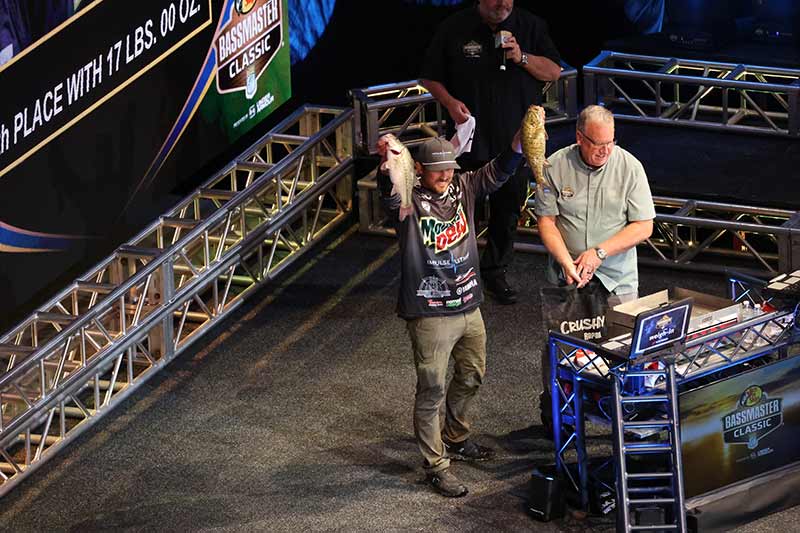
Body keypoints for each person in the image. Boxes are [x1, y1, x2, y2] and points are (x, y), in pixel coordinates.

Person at [377, 128, 524, 498]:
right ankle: (436, 465)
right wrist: (387, 167)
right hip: (429, 312)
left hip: (469, 303)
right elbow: (390, 195)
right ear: (421, 169)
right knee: (432, 390)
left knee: (473, 375)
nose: (445, 175)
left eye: (450, 168)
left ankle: (455, 437)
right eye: (438, 170)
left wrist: (519, 143)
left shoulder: (464, 186)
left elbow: (498, 171)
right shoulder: (409, 198)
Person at [420, 0, 561, 305]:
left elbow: (553, 71)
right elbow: (429, 76)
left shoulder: (531, 25)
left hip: (513, 141)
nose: (502, 4)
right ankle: (455, 272)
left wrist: (521, 56)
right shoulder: (454, 26)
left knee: (508, 208)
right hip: (469, 139)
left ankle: (495, 271)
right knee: (456, 209)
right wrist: (448, 102)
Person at [534, 104, 655, 416]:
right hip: (567, 275)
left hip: (617, 277)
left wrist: (600, 252)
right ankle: (559, 414)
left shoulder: (630, 167)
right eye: (598, 144)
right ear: (579, 138)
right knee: (562, 350)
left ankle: (621, 414)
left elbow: (644, 226)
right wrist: (565, 261)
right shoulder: (554, 166)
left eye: (610, 143)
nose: (605, 151)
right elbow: (546, 221)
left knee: (622, 348)